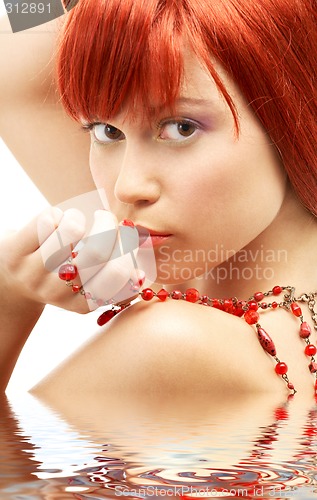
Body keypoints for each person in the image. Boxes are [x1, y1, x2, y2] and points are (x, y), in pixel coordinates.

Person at [0, 0, 316, 402]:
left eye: (181, 128)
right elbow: (9, 40)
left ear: (294, 115)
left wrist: (8, 302)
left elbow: (9, 36)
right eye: (106, 131)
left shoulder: (167, 346)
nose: (126, 188)